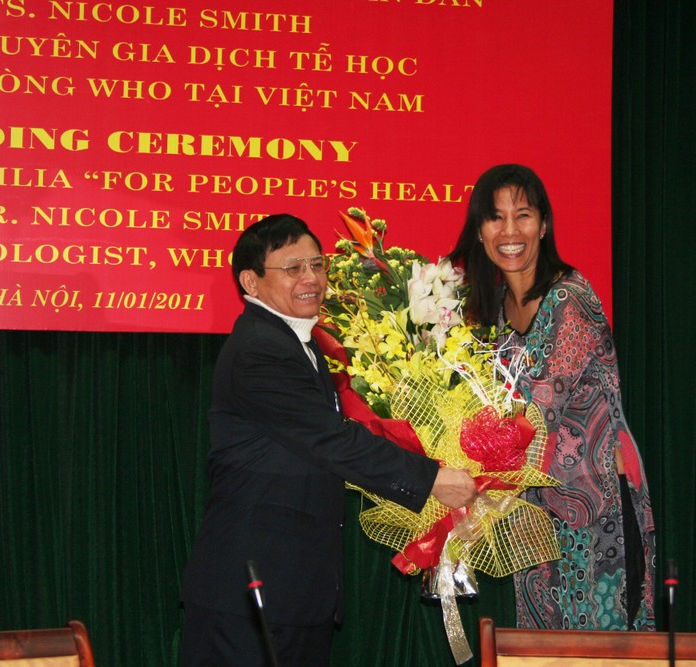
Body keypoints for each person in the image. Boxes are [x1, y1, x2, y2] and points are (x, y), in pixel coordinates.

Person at [180, 213, 477, 666]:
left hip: (291, 592)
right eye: (293, 267)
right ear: (251, 281)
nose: (311, 278)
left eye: (317, 265)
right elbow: (333, 441)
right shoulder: (260, 350)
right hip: (250, 597)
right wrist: (432, 479)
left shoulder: (297, 342)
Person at [448, 164, 656, 631]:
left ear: (543, 225)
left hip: (597, 507)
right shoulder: (496, 310)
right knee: (543, 647)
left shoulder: (569, 298)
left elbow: (538, 411)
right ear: (479, 231)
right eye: (495, 218)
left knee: (602, 649)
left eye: (522, 215)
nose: (509, 231)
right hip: (533, 515)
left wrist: (460, 479)